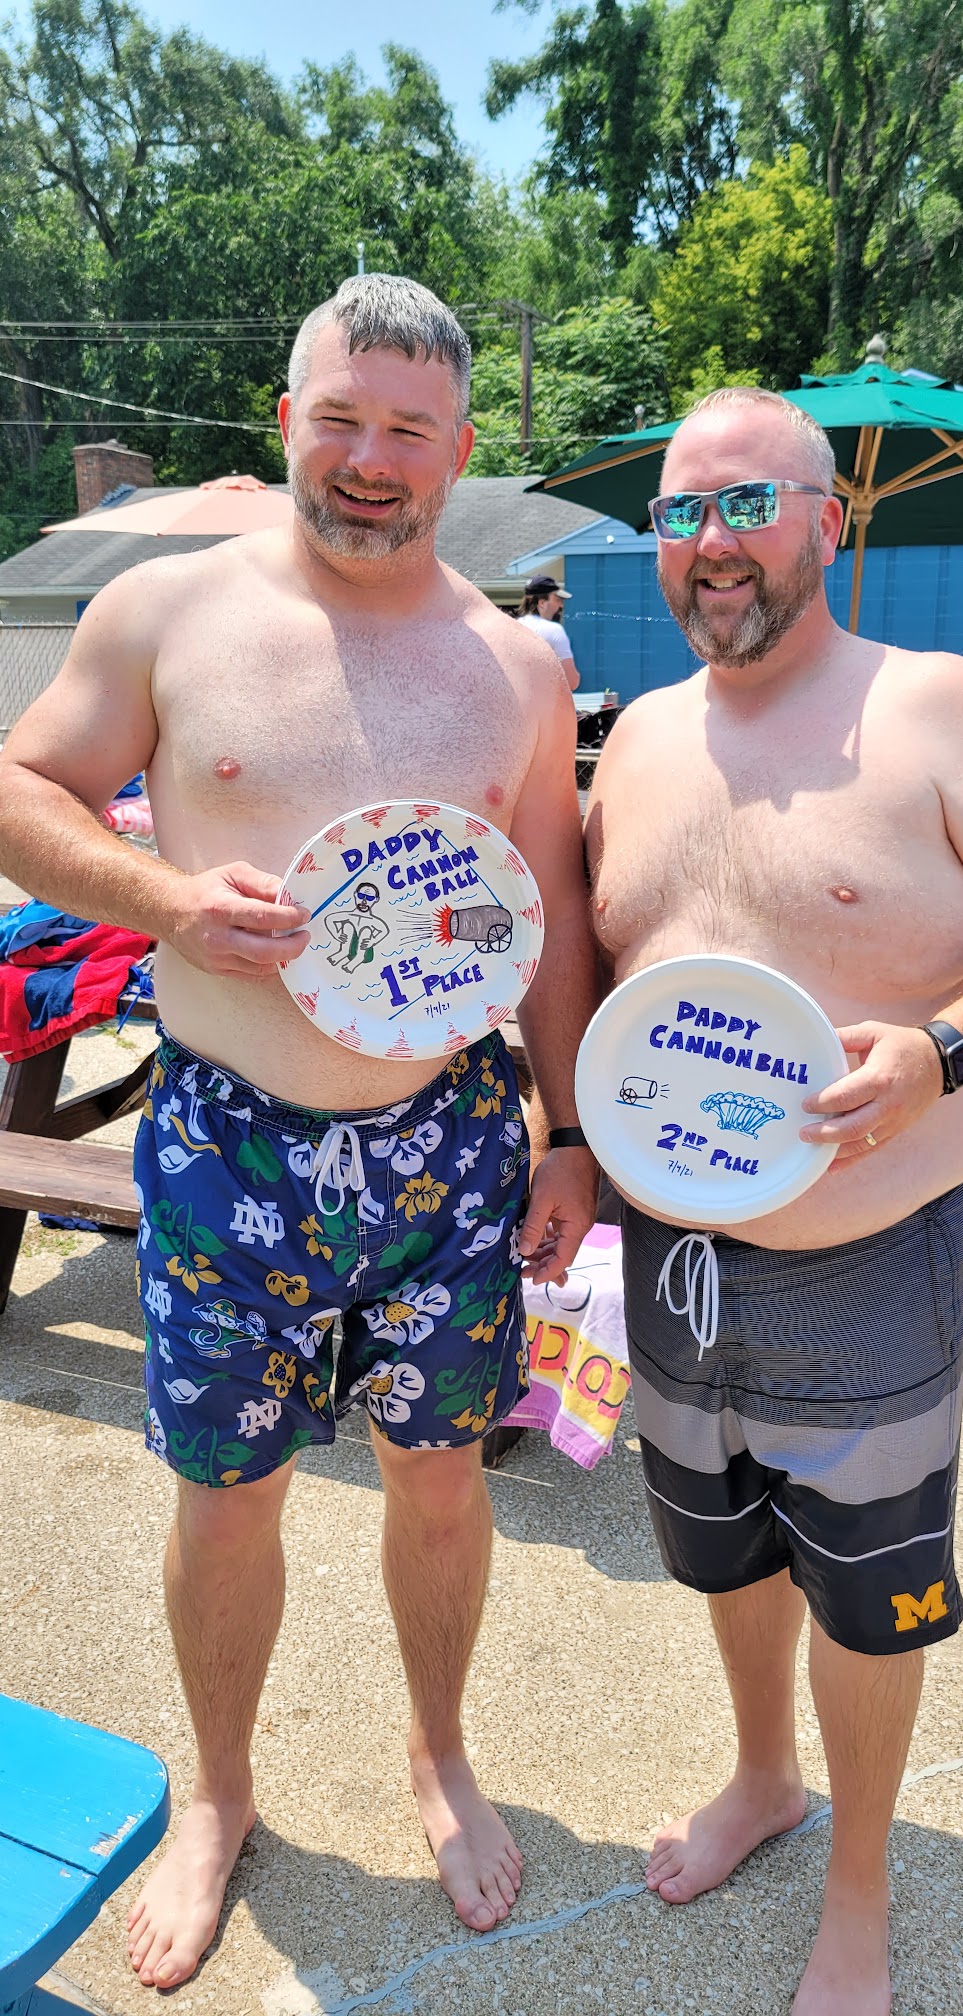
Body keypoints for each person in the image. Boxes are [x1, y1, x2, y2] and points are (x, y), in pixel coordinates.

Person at [0, 273, 598, 1990]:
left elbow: (551, 909)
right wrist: (163, 900)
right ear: (287, 422)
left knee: (439, 1479)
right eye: (339, 418)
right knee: (224, 1495)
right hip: (227, 1145)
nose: (370, 457)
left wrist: (567, 1134)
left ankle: (438, 1754)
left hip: (447, 1148)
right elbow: (21, 791)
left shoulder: (515, 665)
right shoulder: (166, 612)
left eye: (409, 429)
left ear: (458, 452)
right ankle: (218, 1792)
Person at [584, 386, 963, 2016]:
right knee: (724, 1552)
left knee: (868, 1597)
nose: (710, 542)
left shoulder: (937, 705)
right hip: (673, 1257)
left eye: (746, 504)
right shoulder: (637, 740)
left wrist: (942, 1050)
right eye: (680, 514)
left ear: (828, 524)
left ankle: (858, 1885)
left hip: (870, 1257)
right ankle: (762, 1778)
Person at [517, 572, 581, 690]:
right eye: (557, 600)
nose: (561, 605)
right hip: (542, 700)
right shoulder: (554, 630)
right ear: (542, 603)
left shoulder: (514, 627)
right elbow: (571, 681)